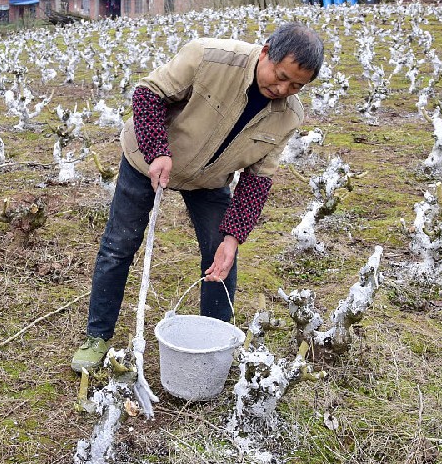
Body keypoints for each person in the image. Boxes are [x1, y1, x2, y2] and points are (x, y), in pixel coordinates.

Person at [72, 22, 325, 372]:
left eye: (296, 85)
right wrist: (157, 150)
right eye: (280, 76)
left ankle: (216, 340)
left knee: (220, 257)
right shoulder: (209, 57)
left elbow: (257, 181)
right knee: (119, 246)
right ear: (266, 51)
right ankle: (97, 336)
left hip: (209, 180)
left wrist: (234, 237)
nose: (283, 89)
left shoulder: (289, 116)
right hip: (148, 159)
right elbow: (148, 93)